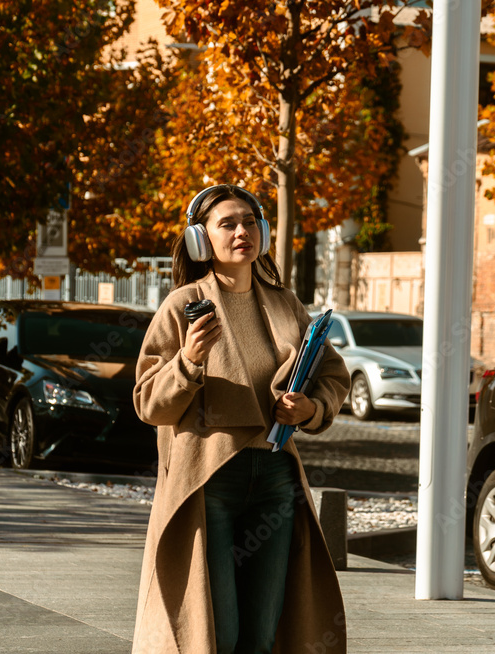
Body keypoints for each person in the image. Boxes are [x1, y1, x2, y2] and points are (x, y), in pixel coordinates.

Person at [131, 184, 351, 654]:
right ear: (200, 239)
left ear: (264, 232)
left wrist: (311, 409)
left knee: (262, 634)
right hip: (208, 481)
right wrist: (189, 361)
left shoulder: (285, 304)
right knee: (218, 632)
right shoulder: (182, 305)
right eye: (227, 224)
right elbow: (149, 404)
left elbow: (332, 375)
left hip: (275, 478)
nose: (241, 232)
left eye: (250, 222)